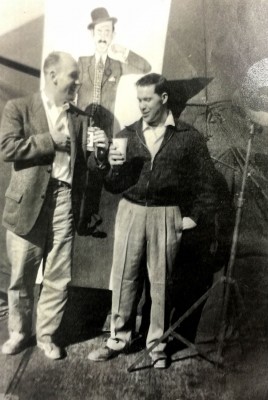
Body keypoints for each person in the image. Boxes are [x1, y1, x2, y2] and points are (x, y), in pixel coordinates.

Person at [88, 73, 217, 368]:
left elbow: (207, 185)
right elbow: (112, 184)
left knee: (161, 285)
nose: (142, 106)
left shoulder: (189, 137)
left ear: (164, 98)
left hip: (166, 214)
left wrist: (193, 218)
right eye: (139, 100)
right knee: (124, 278)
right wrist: (108, 166)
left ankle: (157, 347)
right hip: (131, 211)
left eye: (147, 99)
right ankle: (118, 339)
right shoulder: (127, 134)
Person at [0, 51, 109, 360]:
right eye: (73, 76)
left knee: (58, 275)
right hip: (27, 203)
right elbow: (7, 148)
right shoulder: (19, 107)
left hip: (64, 199)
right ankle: (19, 333)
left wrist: (100, 153)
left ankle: (46, 335)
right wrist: (50, 140)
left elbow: (88, 164)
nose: (78, 82)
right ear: (52, 75)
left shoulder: (81, 118)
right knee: (21, 273)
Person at [77, 7, 151, 138]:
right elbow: (69, 92)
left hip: (104, 132)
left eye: (107, 32)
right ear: (92, 34)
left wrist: (124, 51)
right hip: (82, 131)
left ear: (113, 36)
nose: (103, 36)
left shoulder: (117, 66)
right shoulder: (82, 63)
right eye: (99, 31)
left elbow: (146, 68)